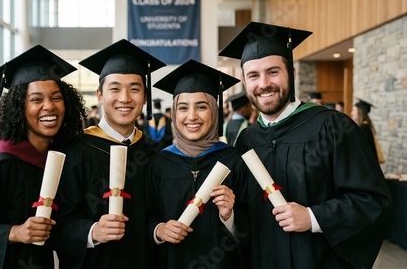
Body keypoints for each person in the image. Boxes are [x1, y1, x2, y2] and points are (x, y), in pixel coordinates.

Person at [219, 21, 392, 268]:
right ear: (245, 83)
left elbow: (373, 201)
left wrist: (312, 217)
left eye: (273, 71)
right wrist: (230, 216)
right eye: (253, 75)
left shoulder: (333, 127)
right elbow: (248, 213)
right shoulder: (247, 141)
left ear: (292, 73)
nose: (264, 83)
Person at [0, 44, 87, 269]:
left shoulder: (57, 159)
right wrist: (13, 232)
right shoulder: (2, 161)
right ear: (18, 108)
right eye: (36, 99)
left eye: (56, 97)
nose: (49, 106)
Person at [50, 39, 166, 268]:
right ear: (100, 95)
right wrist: (92, 231)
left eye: (134, 89)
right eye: (115, 89)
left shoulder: (155, 153)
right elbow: (57, 222)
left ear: (144, 97)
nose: (125, 98)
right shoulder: (75, 151)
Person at [147, 59, 249, 268]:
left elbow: (256, 225)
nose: (191, 116)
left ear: (214, 110)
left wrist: (230, 216)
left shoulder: (234, 160)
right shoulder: (159, 163)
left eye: (202, 107)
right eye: (183, 108)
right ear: (174, 113)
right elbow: (145, 216)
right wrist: (159, 230)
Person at [351, 99, 384, 163]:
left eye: (353, 110)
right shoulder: (364, 127)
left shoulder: (364, 128)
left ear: (360, 112)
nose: (351, 112)